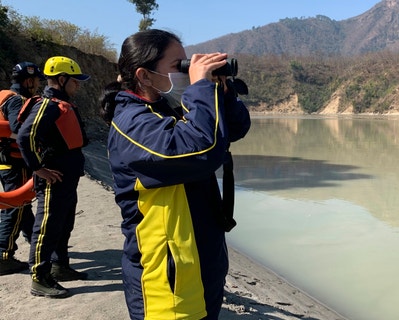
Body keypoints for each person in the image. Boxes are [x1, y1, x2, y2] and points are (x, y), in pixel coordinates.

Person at [99, 29, 251, 319]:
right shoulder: (133, 122)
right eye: (179, 66)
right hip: (167, 277)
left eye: (187, 64)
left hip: (199, 260)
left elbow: (236, 128)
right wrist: (200, 88)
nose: (186, 72)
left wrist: (221, 90)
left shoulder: (167, 110)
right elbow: (201, 150)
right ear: (144, 76)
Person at [17, 56, 90, 298]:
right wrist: (38, 168)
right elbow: (24, 137)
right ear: (62, 79)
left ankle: (60, 266)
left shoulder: (62, 103)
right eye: (75, 80)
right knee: (46, 228)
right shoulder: (47, 105)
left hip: (67, 177)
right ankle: (39, 277)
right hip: (53, 178)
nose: (78, 85)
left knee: (63, 224)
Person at [0, 62, 43, 275]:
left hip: (6, 160)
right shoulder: (17, 101)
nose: (37, 85)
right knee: (15, 207)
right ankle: (3, 255)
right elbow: (21, 130)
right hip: (17, 161)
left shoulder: (3, 95)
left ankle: (35, 240)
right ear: (28, 81)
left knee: (23, 207)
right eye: (36, 81)